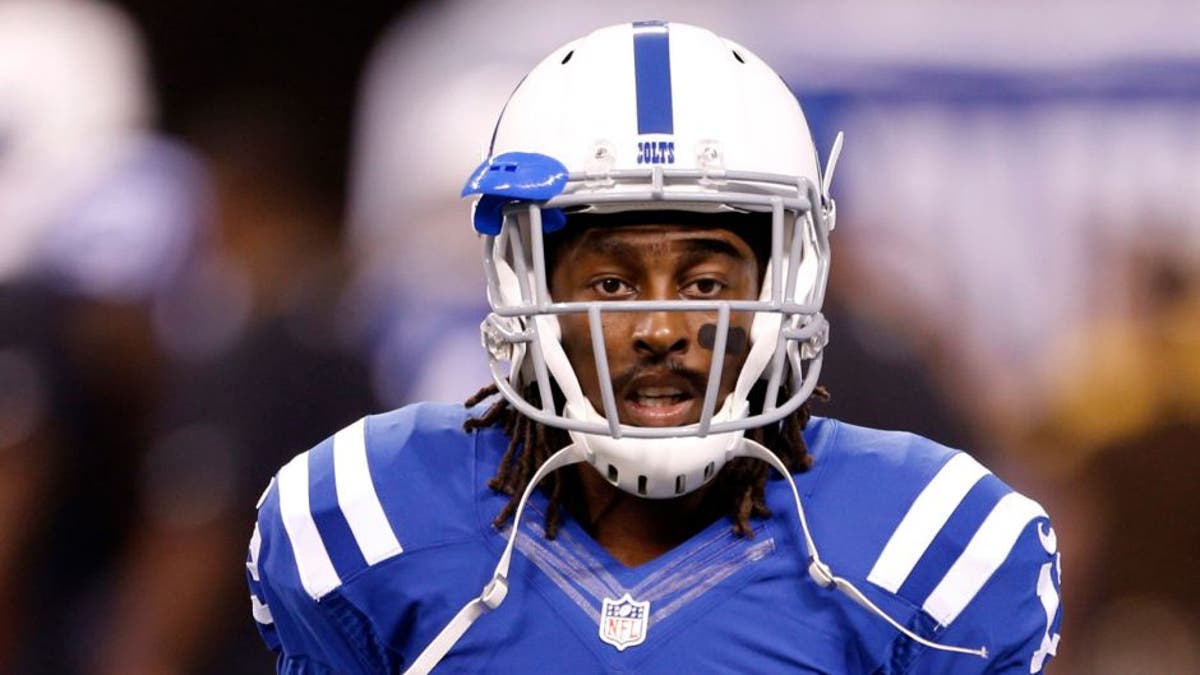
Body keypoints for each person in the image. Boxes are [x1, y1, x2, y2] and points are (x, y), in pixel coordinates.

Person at [246, 21, 1062, 673]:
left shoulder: (933, 541)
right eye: (610, 283)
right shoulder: (367, 515)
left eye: (705, 282)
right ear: (526, 287)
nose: (662, 328)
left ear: (790, 281)